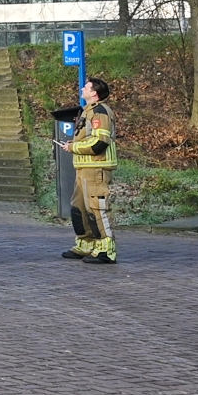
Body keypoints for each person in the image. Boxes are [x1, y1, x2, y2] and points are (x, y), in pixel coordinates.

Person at [63, 77, 119, 265]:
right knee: (79, 208)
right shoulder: (88, 111)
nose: (82, 88)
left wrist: (74, 148)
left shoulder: (100, 112)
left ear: (94, 93)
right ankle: (86, 244)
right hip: (84, 169)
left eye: (86, 87)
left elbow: (100, 142)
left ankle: (106, 250)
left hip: (96, 169)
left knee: (98, 209)